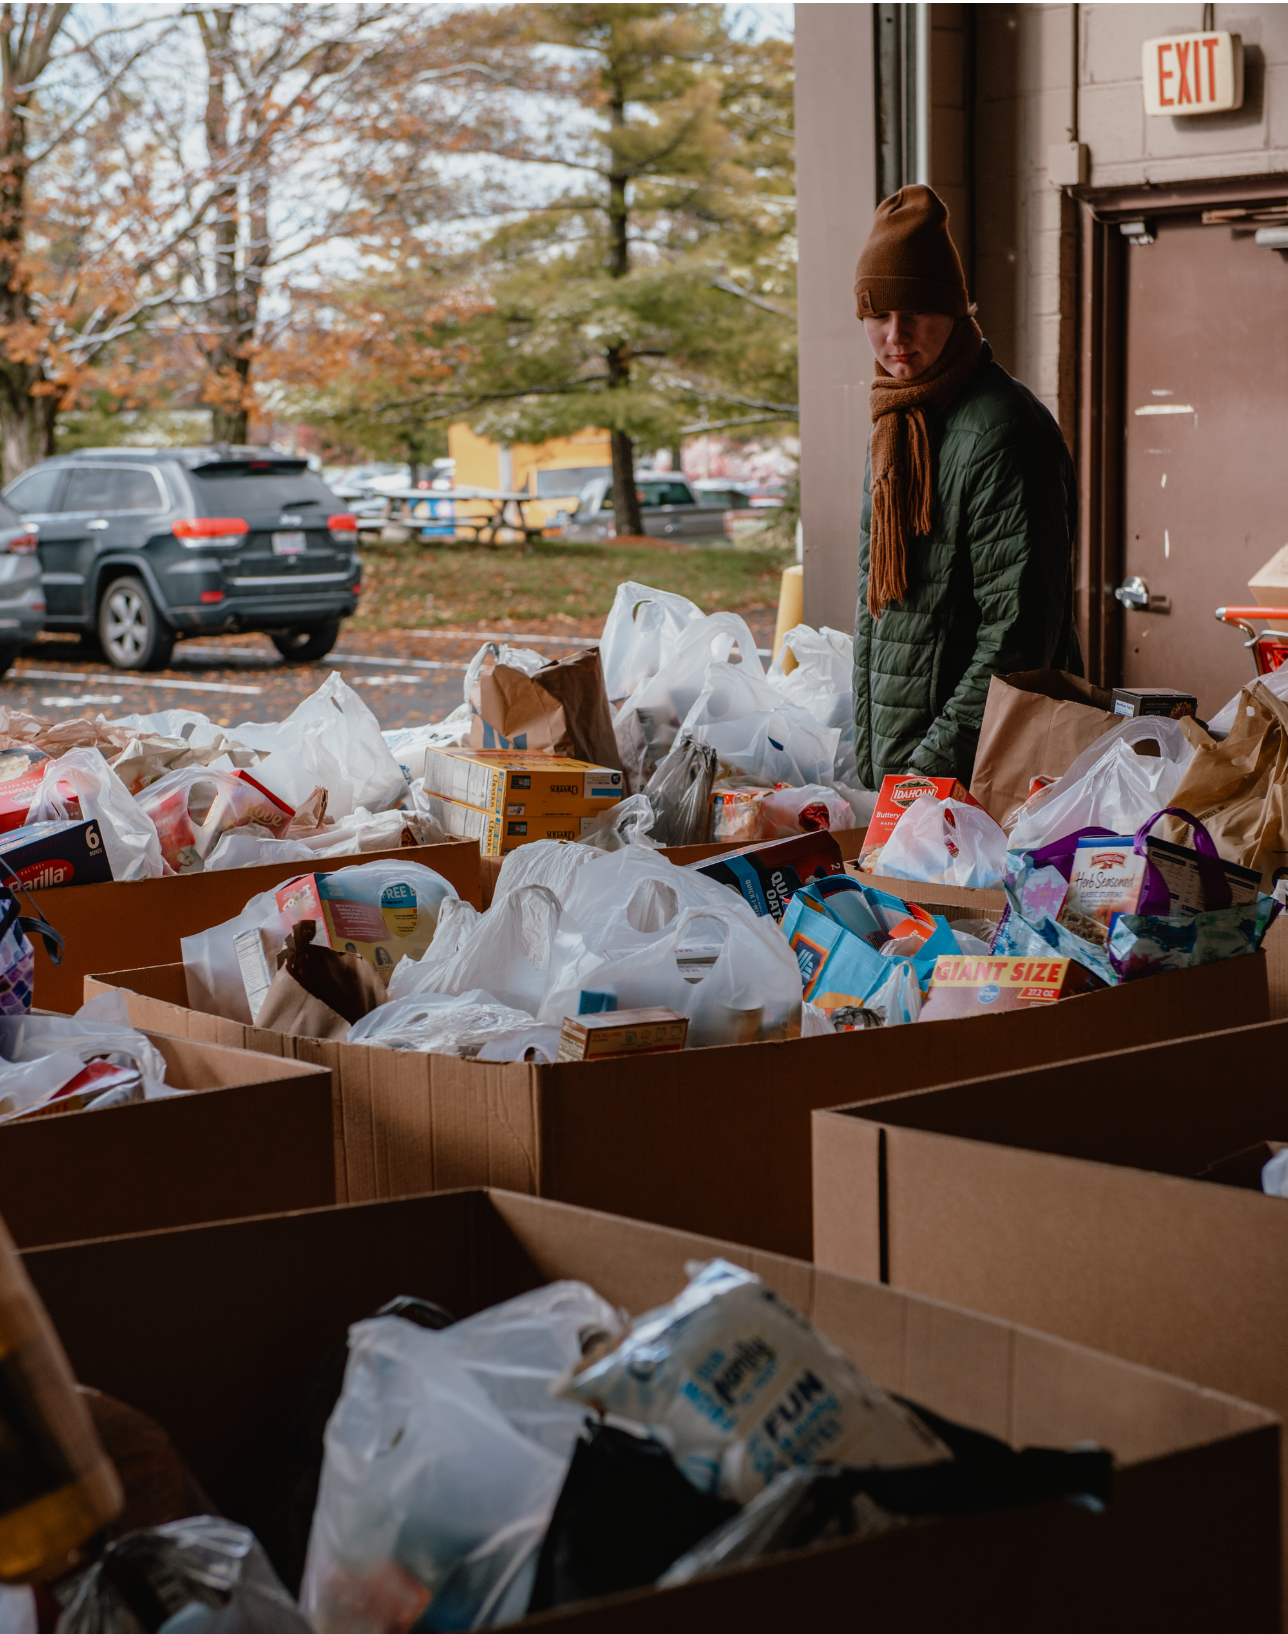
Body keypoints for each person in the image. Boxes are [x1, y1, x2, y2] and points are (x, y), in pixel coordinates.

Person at [851, 183, 1079, 789]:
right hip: (910, 775)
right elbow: (887, 616)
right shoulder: (900, 420)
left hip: (971, 775)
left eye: (916, 313)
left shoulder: (1002, 430)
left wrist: (925, 776)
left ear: (956, 312)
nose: (895, 336)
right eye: (877, 315)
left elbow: (1018, 636)